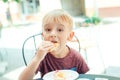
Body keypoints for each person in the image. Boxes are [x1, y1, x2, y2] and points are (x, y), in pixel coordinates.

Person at [19, 9, 89, 80]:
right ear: (43, 35)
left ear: (70, 36)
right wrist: (37, 58)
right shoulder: (42, 56)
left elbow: (85, 77)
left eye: (60, 30)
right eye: (48, 30)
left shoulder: (76, 57)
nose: (52, 34)